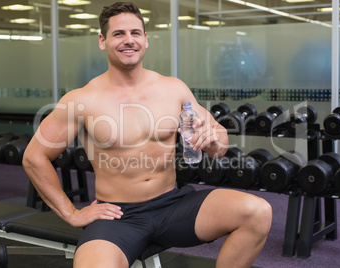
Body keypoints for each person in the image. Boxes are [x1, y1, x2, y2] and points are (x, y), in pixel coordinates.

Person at [22, 2, 272, 267]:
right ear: (102, 41)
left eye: (135, 33)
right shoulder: (82, 100)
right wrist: (71, 213)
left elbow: (219, 142)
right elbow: (34, 157)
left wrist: (214, 140)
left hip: (172, 205)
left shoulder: (173, 89)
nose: (128, 40)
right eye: (118, 34)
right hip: (118, 216)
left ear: (145, 40)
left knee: (258, 212)